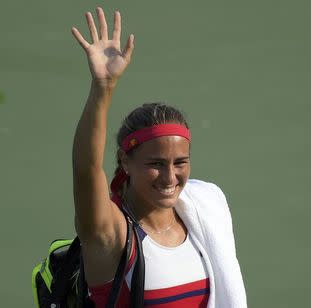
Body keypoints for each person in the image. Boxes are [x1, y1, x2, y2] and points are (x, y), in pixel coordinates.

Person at [71, 7, 247, 308]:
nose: (170, 177)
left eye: (180, 163)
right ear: (124, 161)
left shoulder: (201, 219)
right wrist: (103, 87)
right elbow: (86, 171)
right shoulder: (110, 233)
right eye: (155, 164)